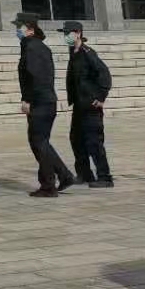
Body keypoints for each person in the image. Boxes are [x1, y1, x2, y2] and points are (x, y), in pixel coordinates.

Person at [14, 12, 74, 197]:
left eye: (20, 27)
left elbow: (36, 76)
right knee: (41, 142)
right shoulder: (37, 46)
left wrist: (28, 99)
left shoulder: (32, 48)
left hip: (40, 102)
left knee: (38, 143)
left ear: (30, 29)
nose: (17, 30)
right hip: (46, 101)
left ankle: (49, 185)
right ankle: (64, 175)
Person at [61, 20, 114, 188]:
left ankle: (105, 177)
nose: (65, 36)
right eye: (64, 33)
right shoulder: (74, 52)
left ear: (78, 33)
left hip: (90, 106)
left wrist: (101, 96)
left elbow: (104, 74)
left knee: (94, 142)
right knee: (76, 139)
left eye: (68, 33)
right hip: (79, 104)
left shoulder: (88, 53)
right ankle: (84, 174)